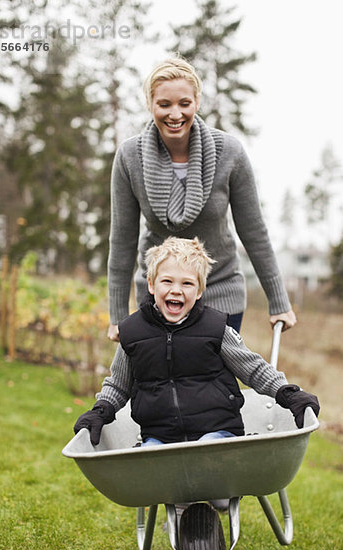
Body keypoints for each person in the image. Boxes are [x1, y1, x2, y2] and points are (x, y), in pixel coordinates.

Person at [106, 55, 296, 344]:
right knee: (156, 386)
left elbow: (254, 232)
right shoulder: (130, 157)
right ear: (150, 105)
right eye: (164, 104)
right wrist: (118, 316)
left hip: (218, 293)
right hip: (158, 296)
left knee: (211, 387)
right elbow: (122, 240)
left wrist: (279, 302)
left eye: (184, 103)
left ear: (197, 102)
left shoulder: (229, 152)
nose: (175, 114)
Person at [75, 237, 319, 448]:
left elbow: (253, 369)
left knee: (206, 452)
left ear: (200, 290)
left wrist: (288, 394)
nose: (176, 290)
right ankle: (187, 499)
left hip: (217, 431)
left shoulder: (214, 329)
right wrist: (100, 411)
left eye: (187, 283)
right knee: (151, 460)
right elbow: (118, 385)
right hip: (160, 438)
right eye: (167, 281)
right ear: (151, 284)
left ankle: (209, 495)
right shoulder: (133, 333)